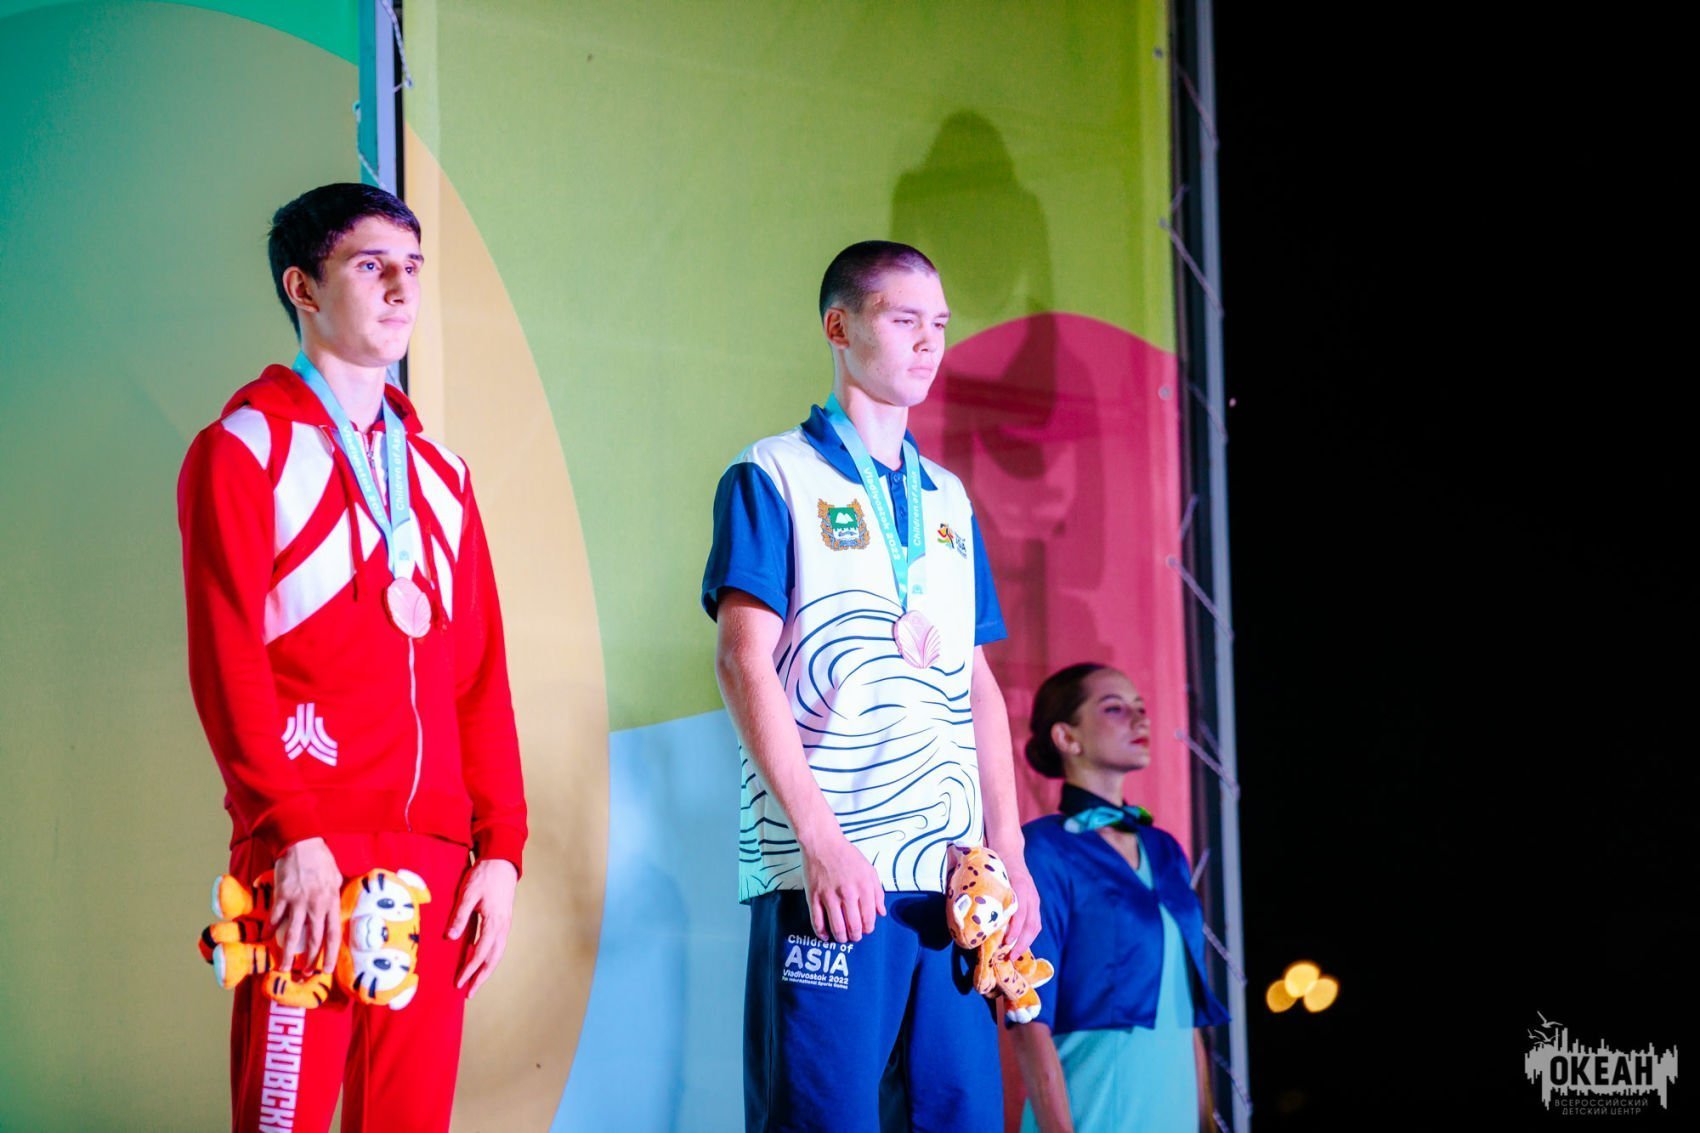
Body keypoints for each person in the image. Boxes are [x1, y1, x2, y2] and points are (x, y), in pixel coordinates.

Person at [178, 182, 527, 1132]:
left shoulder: (443, 477)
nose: (401, 288)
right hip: (309, 848)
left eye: (411, 267)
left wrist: (501, 848)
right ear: (303, 286)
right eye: (371, 266)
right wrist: (289, 833)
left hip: (434, 862)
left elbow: (479, 678)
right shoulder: (243, 449)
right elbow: (226, 663)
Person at [702, 240, 1039, 1132]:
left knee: (959, 1116)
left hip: (953, 885)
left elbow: (977, 683)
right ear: (839, 326)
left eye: (940, 324)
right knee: (822, 1119)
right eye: (904, 319)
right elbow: (742, 661)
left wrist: (1009, 849)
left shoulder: (950, 499)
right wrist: (822, 840)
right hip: (833, 875)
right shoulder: (771, 473)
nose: (929, 342)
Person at [1009, 663, 1229, 1133]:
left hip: (1175, 1105)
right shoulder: (1042, 849)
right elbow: (1026, 1014)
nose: (1139, 718)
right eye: (1114, 708)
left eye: (1140, 707)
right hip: (1095, 1105)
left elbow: (1185, 1002)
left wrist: (1206, 1120)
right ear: (1067, 737)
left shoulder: (1165, 849)